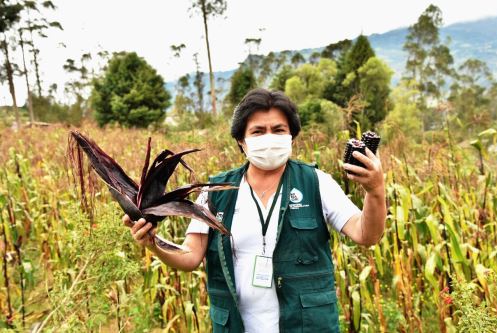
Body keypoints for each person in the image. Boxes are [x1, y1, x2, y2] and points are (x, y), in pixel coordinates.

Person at [123, 88, 386, 333]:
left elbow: (366, 234)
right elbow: (191, 256)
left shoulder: (316, 183)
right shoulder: (216, 191)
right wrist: (153, 242)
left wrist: (375, 190)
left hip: (307, 325)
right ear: (241, 140)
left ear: (292, 136)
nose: (269, 138)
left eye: (279, 130)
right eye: (258, 131)